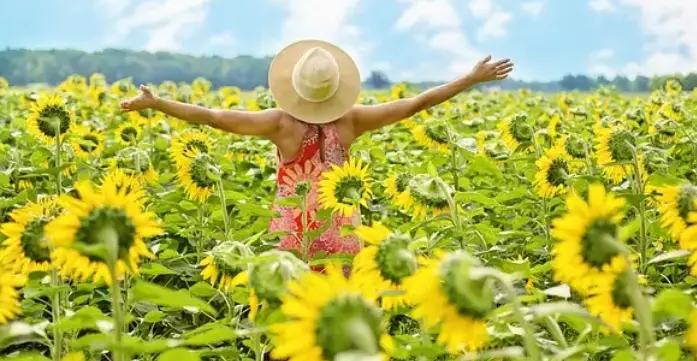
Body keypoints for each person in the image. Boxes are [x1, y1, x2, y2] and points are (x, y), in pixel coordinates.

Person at [120, 39, 513, 261]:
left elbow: (212, 116)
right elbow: (415, 104)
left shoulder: (281, 124)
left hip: (298, 237)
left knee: (298, 318)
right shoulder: (352, 121)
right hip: (343, 233)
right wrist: (469, 79)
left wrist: (159, 103)